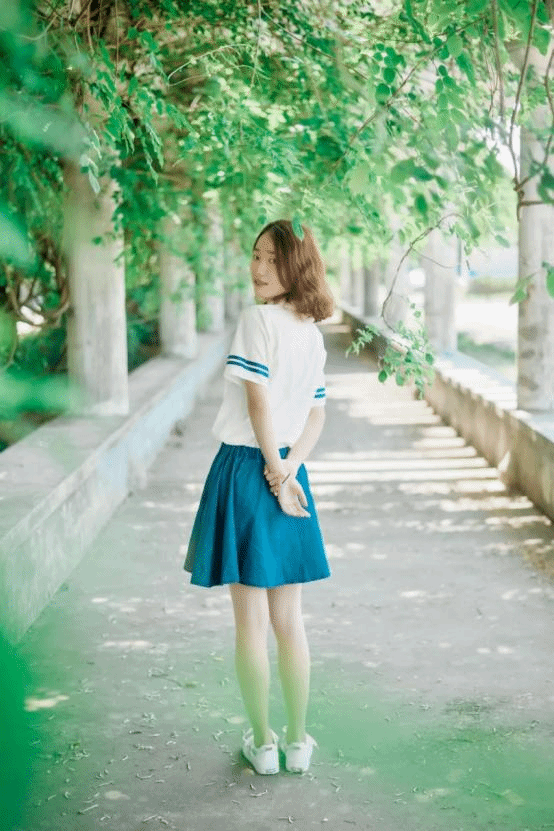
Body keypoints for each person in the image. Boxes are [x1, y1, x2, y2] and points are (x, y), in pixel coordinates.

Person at [183, 219, 334, 775]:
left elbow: (258, 404)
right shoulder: (310, 333)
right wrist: (291, 468)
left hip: (249, 471)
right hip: (288, 471)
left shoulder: (258, 321)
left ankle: (265, 744)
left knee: (252, 623)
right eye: (256, 256)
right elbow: (315, 415)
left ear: (296, 266)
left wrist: (275, 468)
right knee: (289, 620)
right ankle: (296, 742)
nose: (259, 268)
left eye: (272, 258)